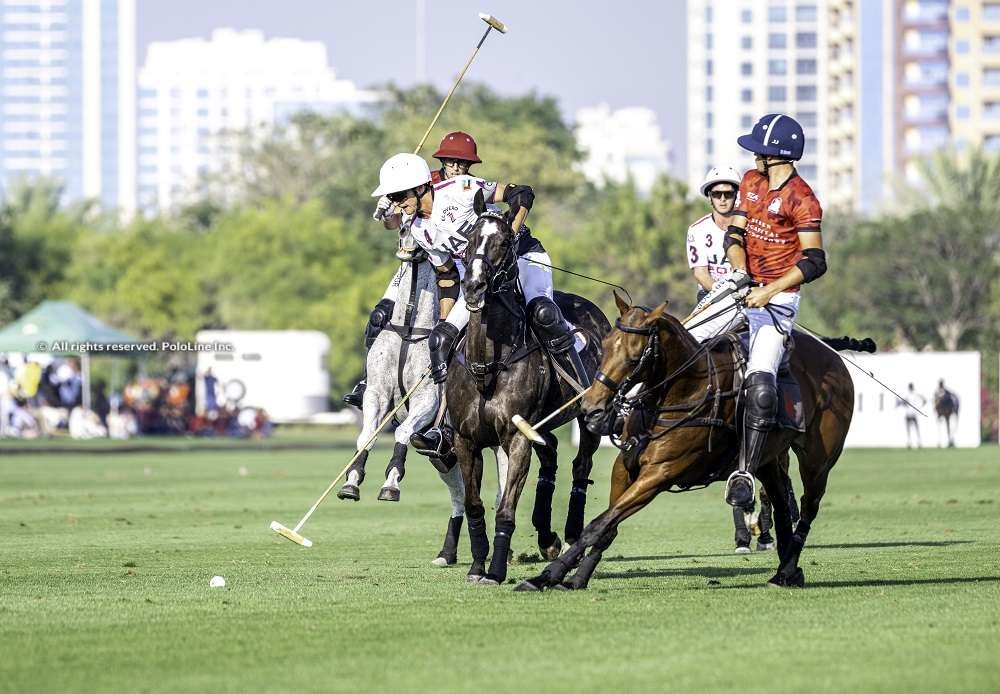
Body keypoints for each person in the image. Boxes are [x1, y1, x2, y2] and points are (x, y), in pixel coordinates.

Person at [369, 152, 588, 455]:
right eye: (392, 197)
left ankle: (585, 389)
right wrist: (446, 325)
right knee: (439, 340)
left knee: (543, 312)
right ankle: (443, 429)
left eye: (398, 195)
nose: (396, 202)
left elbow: (522, 192)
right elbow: (446, 277)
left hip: (521, 257)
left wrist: (510, 232)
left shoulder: (461, 189)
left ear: (420, 187)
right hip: (479, 278)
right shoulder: (418, 229)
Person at [690, 114, 826, 509]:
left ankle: (745, 472)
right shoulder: (751, 182)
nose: (753, 156)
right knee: (683, 340)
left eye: (758, 151)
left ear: (775, 155)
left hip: (779, 301)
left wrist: (769, 290)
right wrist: (741, 270)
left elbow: (815, 261)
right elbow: (735, 234)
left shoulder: (804, 199)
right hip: (741, 286)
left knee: (761, 379)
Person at [343, 131, 485, 408]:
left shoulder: (465, 189)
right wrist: (388, 210)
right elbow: (393, 225)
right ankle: (367, 381)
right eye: (451, 161)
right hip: (415, 262)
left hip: (449, 265)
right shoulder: (421, 182)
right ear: (442, 161)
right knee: (378, 315)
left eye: (462, 163)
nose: (456, 167)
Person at [688, 166, 742, 302]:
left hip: (745, 294)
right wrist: (724, 294)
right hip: (710, 294)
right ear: (709, 197)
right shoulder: (697, 230)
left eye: (728, 194)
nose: (722, 199)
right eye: (717, 194)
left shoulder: (751, 227)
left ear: (736, 195)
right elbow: (700, 273)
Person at [898, 382, 926, 448]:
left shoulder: (916, 394)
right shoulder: (907, 395)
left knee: (916, 429)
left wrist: (919, 407)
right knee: (909, 429)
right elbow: (903, 403)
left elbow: (924, 400)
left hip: (913, 414)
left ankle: (919, 443)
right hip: (908, 414)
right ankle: (909, 443)